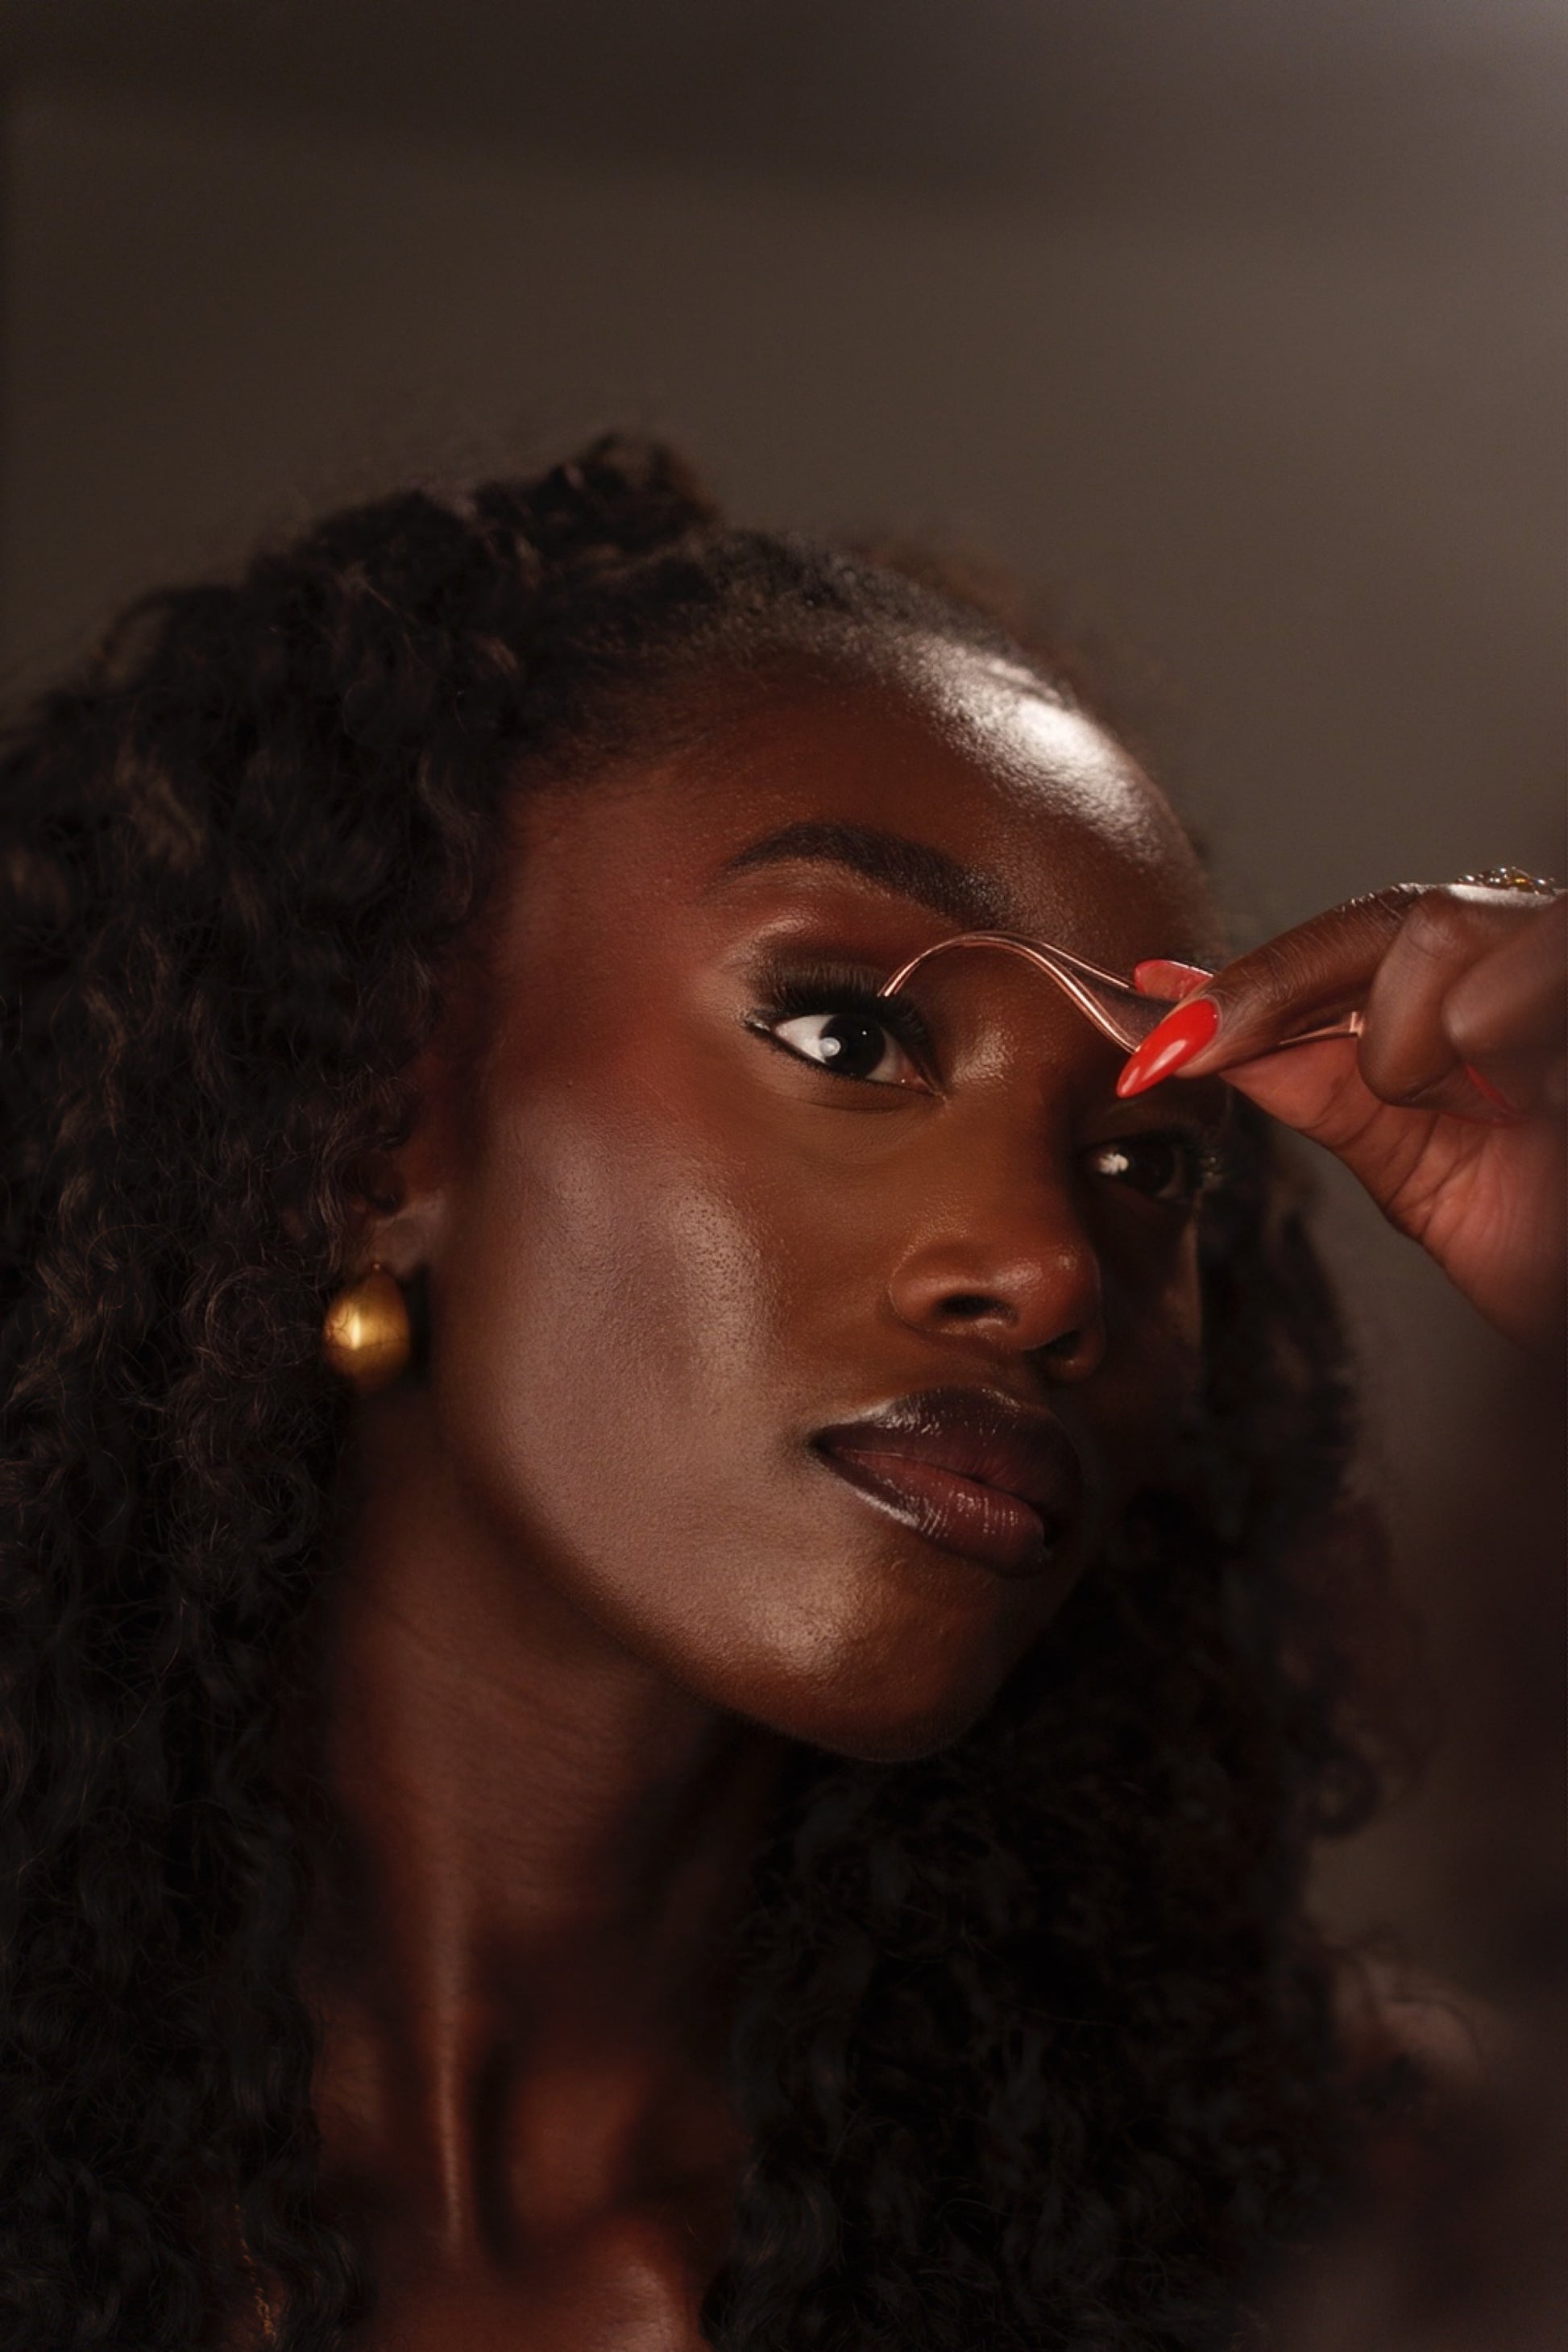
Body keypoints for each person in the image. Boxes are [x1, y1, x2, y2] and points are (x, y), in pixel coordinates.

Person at [0, 434, 1560, 2352]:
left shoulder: (1360, 2211)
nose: (1049, 1267)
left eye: (1148, 1159)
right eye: (848, 1032)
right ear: (375, 1113)